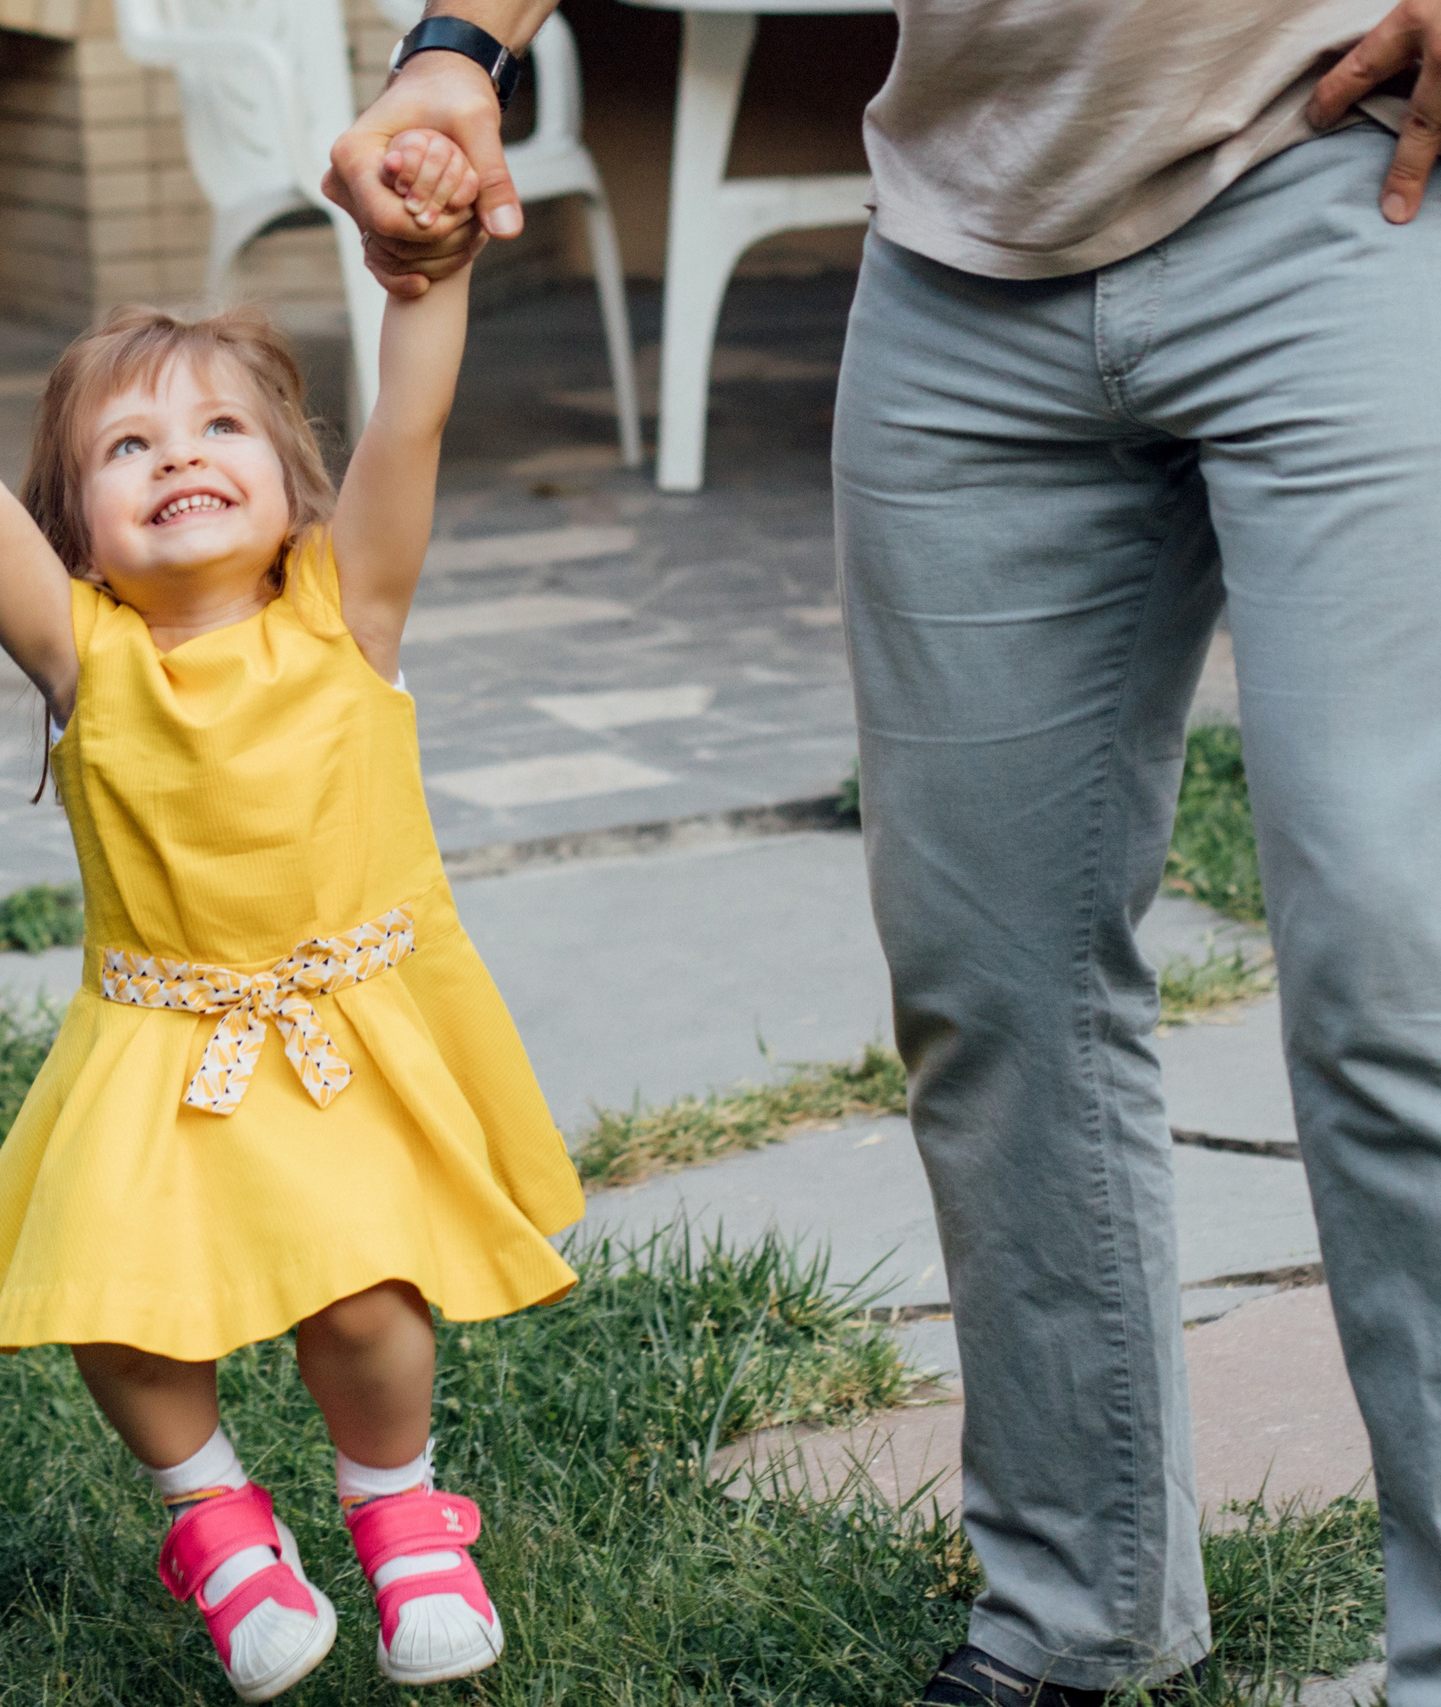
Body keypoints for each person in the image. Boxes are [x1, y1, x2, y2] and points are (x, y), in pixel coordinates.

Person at [331, 2, 1441, 1703]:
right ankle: (1076, 1612)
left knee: (1393, 960)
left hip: (1344, 193)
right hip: (961, 244)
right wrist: (455, 51)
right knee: (990, 972)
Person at [0, 139, 584, 1700]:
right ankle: (220, 1525)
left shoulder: (345, 605)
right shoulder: (82, 658)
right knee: (122, 1322)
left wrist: (423, 280)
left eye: (224, 425)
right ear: (79, 532)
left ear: (296, 482)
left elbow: (417, 417)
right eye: (130, 446)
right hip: (158, 1043)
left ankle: (398, 1513)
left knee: (363, 1300)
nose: (182, 453)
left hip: (339, 1034)